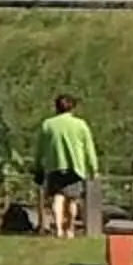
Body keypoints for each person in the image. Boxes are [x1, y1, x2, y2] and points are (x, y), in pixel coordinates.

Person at [34, 92, 99, 238]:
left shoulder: (48, 125)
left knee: (58, 197)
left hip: (55, 166)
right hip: (75, 167)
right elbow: (89, 148)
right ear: (72, 108)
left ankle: (58, 229)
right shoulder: (80, 125)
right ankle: (69, 229)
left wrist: (38, 165)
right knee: (72, 200)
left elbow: (40, 148)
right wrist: (93, 168)